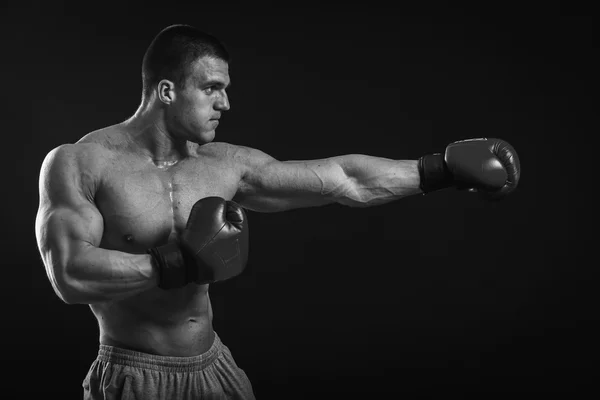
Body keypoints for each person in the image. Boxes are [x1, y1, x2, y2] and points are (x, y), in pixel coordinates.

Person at [34, 24, 520, 400]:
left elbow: (342, 179)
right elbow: (70, 276)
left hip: (211, 367)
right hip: (135, 377)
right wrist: (174, 262)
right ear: (167, 91)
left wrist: (443, 170)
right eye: (211, 88)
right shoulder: (82, 163)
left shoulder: (227, 164)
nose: (226, 102)